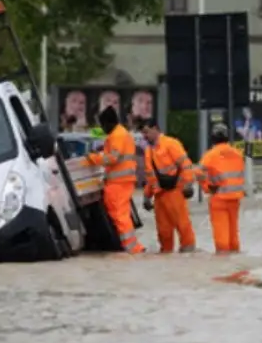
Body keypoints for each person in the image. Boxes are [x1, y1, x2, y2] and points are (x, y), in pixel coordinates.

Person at [83, 106, 145, 254]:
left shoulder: (116, 136)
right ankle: (131, 246)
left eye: (103, 125)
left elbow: (112, 158)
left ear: (109, 123)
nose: (102, 128)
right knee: (121, 214)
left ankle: (131, 247)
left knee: (119, 215)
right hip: (123, 181)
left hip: (118, 183)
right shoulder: (122, 134)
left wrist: (93, 158)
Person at [139, 119, 197, 253]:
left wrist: (188, 184)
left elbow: (186, 164)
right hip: (159, 195)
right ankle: (166, 253)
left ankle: (188, 253)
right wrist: (147, 196)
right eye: (143, 133)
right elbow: (151, 177)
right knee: (163, 230)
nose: (145, 136)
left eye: (146, 132)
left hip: (175, 191)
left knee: (182, 225)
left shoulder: (171, 144)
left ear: (155, 129)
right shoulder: (149, 151)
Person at [197, 124, 246, 253]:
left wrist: (207, 187)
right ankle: (236, 263)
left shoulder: (211, 155)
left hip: (218, 198)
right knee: (233, 233)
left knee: (221, 237)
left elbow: (198, 172)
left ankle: (223, 264)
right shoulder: (238, 154)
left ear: (212, 138)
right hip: (235, 198)